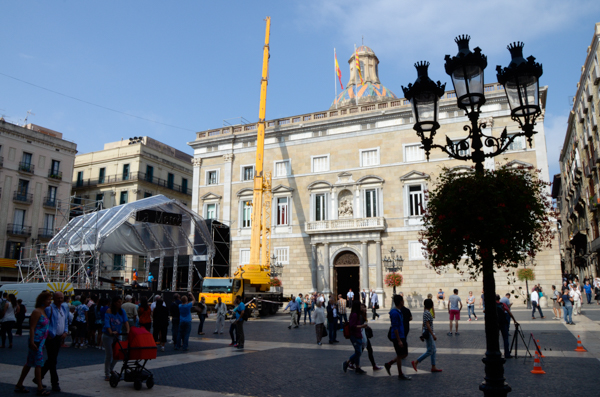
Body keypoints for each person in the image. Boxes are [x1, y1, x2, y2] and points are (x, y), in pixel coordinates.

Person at [14, 291, 52, 395]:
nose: (50, 301)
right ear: (43, 300)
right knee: (38, 364)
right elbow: (32, 327)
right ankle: (39, 388)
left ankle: (19, 384)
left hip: (41, 340)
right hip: (36, 341)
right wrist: (31, 341)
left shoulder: (44, 311)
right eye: (48, 299)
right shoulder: (37, 312)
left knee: (29, 363)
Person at [40, 292, 69, 392]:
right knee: (52, 361)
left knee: (52, 360)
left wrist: (65, 331)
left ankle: (39, 377)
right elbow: (44, 321)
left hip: (59, 337)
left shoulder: (64, 308)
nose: (60, 300)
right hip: (51, 337)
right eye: (58, 298)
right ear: (54, 299)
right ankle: (55, 383)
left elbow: (65, 321)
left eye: (61, 298)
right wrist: (47, 334)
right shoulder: (49, 309)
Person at [101, 296, 130, 381]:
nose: (120, 304)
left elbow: (126, 321)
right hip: (108, 335)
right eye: (118, 302)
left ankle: (110, 368)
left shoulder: (122, 311)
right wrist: (110, 331)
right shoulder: (109, 311)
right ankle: (107, 373)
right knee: (109, 354)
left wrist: (128, 330)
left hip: (118, 334)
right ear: (114, 303)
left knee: (118, 353)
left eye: (121, 302)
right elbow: (107, 323)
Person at [384, 294, 411, 380]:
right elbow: (395, 327)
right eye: (402, 300)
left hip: (401, 335)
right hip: (398, 336)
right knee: (400, 354)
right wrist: (399, 340)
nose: (403, 302)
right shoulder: (395, 313)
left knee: (404, 354)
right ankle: (400, 373)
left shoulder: (398, 311)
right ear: (400, 302)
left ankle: (389, 364)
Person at [412, 299, 442, 373]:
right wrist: (432, 334)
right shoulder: (428, 313)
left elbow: (424, 324)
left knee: (433, 350)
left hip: (427, 333)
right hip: (429, 333)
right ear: (431, 305)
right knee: (430, 351)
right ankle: (416, 362)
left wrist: (422, 333)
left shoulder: (425, 312)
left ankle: (433, 366)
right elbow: (427, 325)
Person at [342, 300, 367, 374]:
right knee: (358, 352)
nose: (361, 307)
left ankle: (357, 367)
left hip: (358, 334)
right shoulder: (354, 315)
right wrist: (362, 326)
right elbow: (352, 326)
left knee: (358, 351)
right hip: (354, 335)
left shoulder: (357, 314)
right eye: (360, 306)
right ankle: (347, 362)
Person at [360, 303, 382, 371]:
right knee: (367, 350)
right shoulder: (360, 316)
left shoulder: (363, 315)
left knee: (363, 350)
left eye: (365, 307)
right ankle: (350, 362)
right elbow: (360, 326)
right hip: (363, 336)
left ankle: (351, 362)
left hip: (364, 336)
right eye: (363, 307)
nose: (365, 309)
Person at [496, 294, 518, 359]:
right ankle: (507, 354)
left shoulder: (492, 305)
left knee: (495, 339)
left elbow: (485, 311)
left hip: (496, 324)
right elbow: (509, 312)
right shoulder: (503, 304)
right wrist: (514, 320)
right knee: (505, 338)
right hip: (503, 323)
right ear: (499, 299)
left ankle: (496, 352)